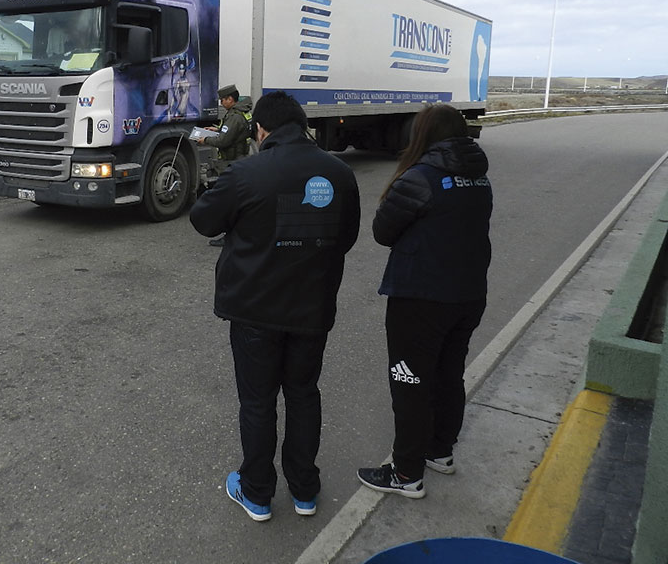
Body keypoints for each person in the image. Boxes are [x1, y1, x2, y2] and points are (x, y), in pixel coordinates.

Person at [190, 90, 361, 522]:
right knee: (304, 395)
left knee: (258, 401)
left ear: (261, 130)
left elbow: (203, 221)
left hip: (255, 312)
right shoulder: (339, 173)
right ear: (302, 125)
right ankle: (305, 491)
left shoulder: (247, 173)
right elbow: (347, 238)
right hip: (312, 309)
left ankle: (257, 494)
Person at [357, 103, 493, 499]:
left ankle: (405, 473)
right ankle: (440, 452)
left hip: (421, 298)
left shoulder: (420, 178)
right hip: (468, 294)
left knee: (410, 382)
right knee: (448, 375)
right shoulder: (479, 177)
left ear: (422, 135)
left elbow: (383, 231)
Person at [197, 84, 253, 246]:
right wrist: (215, 129)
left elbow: (224, 140)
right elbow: (230, 133)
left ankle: (229, 236)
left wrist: (205, 139)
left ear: (230, 99)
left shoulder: (234, 117)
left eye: (223, 100)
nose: (221, 102)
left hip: (231, 163)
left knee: (230, 203)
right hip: (238, 161)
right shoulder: (241, 113)